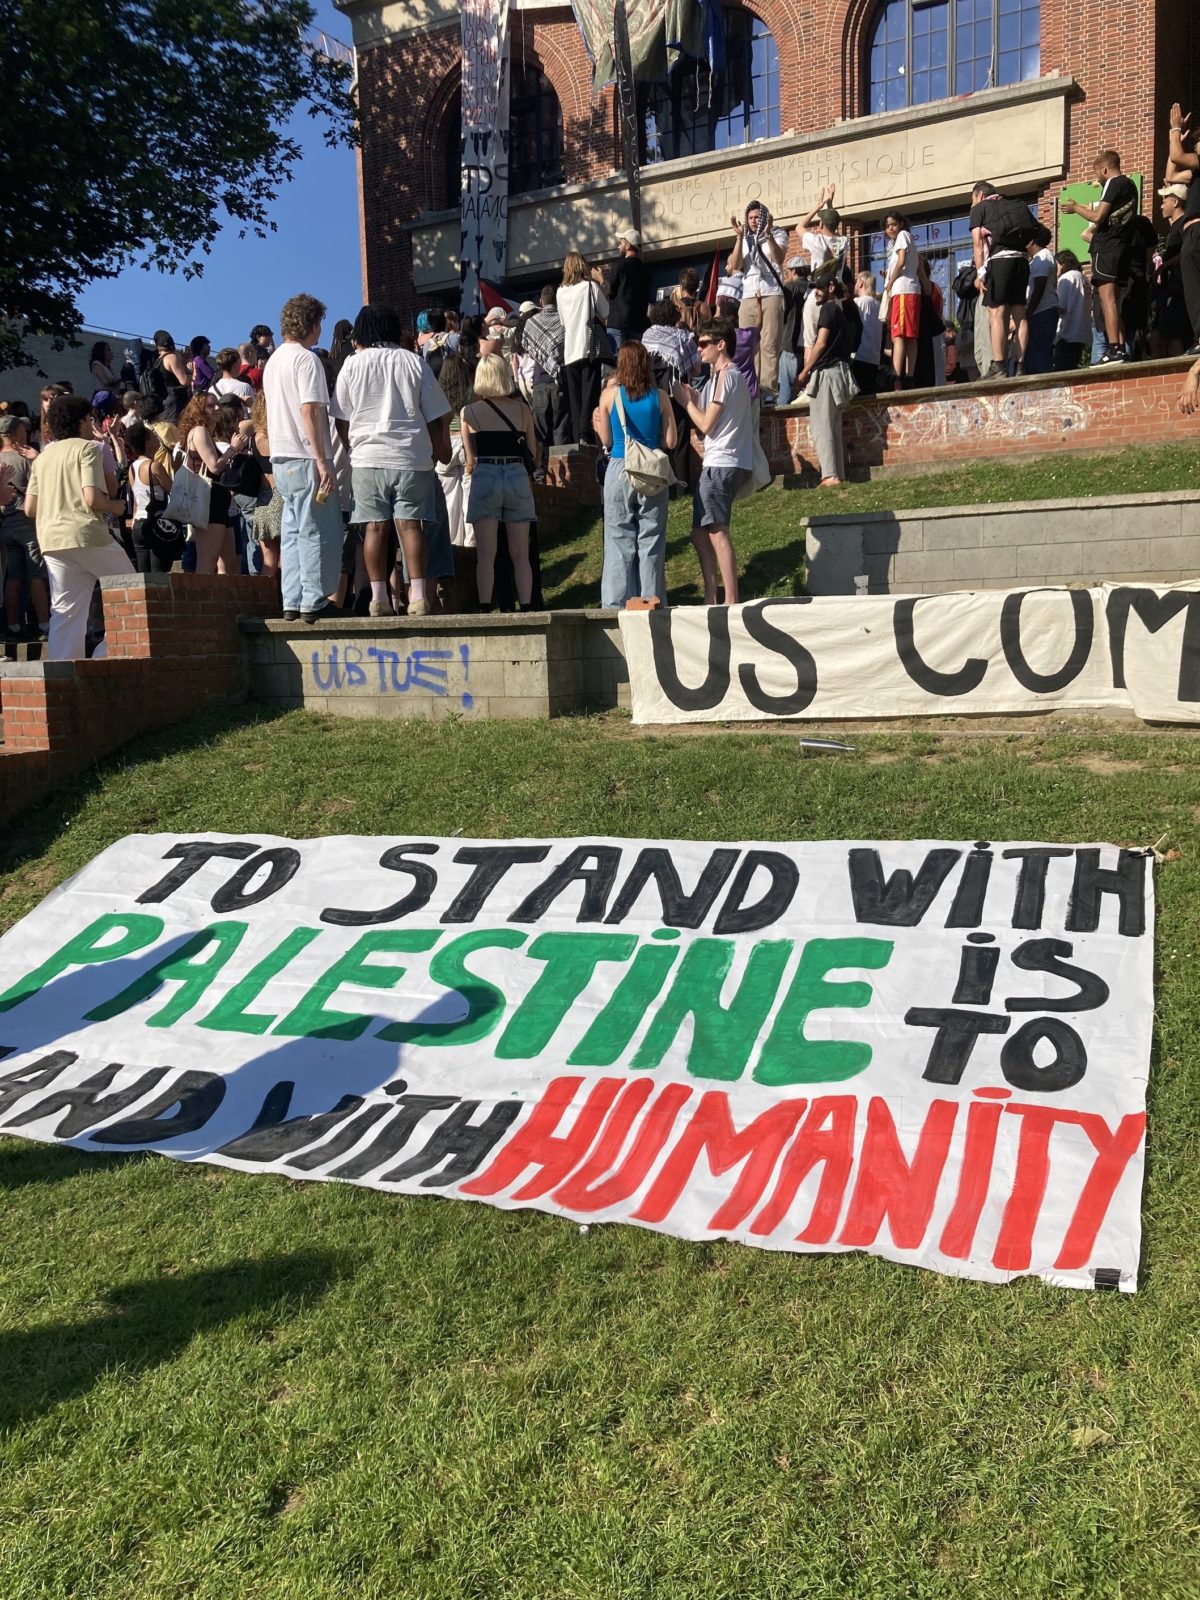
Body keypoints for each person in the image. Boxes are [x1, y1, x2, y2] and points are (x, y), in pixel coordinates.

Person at [331, 301, 451, 618]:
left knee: (373, 529)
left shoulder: (352, 365)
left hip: (367, 457)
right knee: (411, 527)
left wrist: (352, 447)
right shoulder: (413, 361)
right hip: (411, 456)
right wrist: (436, 450)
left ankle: (379, 597)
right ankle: (419, 596)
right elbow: (435, 414)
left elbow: (341, 419)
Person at [23, 394, 132, 660]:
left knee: (65, 612)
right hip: (87, 534)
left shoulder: (43, 458)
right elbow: (92, 498)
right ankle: (104, 655)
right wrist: (117, 507)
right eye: (89, 419)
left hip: (51, 540)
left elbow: (30, 508)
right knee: (132, 592)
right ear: (82, 421)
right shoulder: (88, 449)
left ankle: (62, 671)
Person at [263, 292, 344, 623]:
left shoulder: (273, 362)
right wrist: (322, 459)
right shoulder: (307, 360)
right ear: (310, 324)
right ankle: (313, 599)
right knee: (315, 530)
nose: (320, 330)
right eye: (319, 323)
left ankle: (292, 599)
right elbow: (309, 409)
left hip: (281, 456)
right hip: (306, 456)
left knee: (293, 531)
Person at [672, 320, 753, 606]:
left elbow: (705, 425)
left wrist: (686, 403)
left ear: (721, 344)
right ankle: (712, 594)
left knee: (717, 530)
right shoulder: (717, 380)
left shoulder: (726, 375)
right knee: (699, 532)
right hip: (721, 461)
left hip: (722, 462)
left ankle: (729, 598)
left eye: (704, 343)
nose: (699, 348)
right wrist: (694, 399)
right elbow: (706, 425)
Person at [595, 341, 677, 607]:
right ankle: (651, 601)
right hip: (651, 470)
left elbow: (607, 441)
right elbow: (671, 441)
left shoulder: (609, 395)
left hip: (620, 467)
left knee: (618, 540)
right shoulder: (660, 396)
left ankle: (616, 605)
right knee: (651, 540)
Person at [460, 353, 537, 611]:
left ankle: (485, 607)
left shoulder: (469, 412)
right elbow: (532, 452)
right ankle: (526, 606)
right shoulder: (522, 409)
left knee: (486, 554)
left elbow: (470, 458)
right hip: (516, 473)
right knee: (521, 555)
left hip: (486, 473)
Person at [1060, 151, 1139, 363]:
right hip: (1122, 247)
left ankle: (1114, 348)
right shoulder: (1130, 185)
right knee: (1114, 300)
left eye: (1097, 173)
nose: (1098, 179)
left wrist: (1076, 208)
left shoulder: (1113, 183)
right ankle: (1121, 348)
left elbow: (1098, 216)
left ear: (1104, 169)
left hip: (1107, 248)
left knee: (1107, 299)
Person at [795, 269, 857, 487]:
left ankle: (829, 476)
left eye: (820, 288)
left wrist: (805, 370)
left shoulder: (828, 309)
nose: (816, 292)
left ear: (831, 288)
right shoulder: (840, 312)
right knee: (833, 427)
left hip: (826, 374)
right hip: (839, 373)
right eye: (814, 289)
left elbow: (820, 343)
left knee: (821, 426)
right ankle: (838, 474)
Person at [969, 182, 1034, 377]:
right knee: (1019, 314)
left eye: (972, 199)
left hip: (999, 262)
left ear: (980, 195)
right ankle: (1021, 366)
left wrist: (980, 273)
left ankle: (999, 365)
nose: (972, 204)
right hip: (1021, 261)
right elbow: (1037, 232)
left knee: (997, 313)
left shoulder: (980, 209)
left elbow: (977, 244)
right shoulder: (1016, 205)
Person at [727, 202, 788, 402]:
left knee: (769, 342)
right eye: (751, 218)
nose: (754, 221)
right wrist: (739, 237)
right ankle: (750, 389)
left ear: (764, 218)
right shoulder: (744, 238)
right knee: (747, 343)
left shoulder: (777, 233)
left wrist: (768, 234)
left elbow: (779, 258)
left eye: (757, 217)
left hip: (771, 291)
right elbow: (735, 265)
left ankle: (768, 390)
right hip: (749, 294)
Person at [176, 392, 241, 574]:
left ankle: (224, 593)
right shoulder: (199, 431)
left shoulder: (205, 432)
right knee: (208, 561)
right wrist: (233, 449)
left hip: (218, 500)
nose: (217, 408)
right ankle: (199, 593)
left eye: (217, 404)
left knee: (230, 562)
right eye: (210, 406)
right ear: (199, 410)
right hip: (209, 499)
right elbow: (214, 466)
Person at [0, 415, 50, 637]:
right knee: (36, 575)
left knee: (13, 577)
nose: (26, 433)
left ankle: (13, 625)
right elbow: (41, 487)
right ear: (13, 434)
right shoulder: (25, 459)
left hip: (6, 524)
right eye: (22, 430)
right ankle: (44, 624)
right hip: (27, 522)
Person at [558, 251, 609, 446]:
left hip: (570, 349)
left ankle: (577, 436)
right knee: (590, 393)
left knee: (575, 396)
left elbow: (563, 322)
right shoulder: (590, 286)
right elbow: (605, 310)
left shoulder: (560, 292)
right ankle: (586, 434)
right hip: (588, 347)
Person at [518, 285, 570, 476]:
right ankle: (563, 477)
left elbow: (527, 347)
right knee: (560, 430)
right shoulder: (564, 320)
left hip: (539, 383)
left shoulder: (532, 322)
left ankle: (540, 475)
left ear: (541, 301)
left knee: (539, 434)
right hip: (559, 381)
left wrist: (543, 355)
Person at [1167, 104, 1200, 351]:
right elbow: (1171, 175)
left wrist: (1175, 130)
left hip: (1198, 231)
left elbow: (1179, 157)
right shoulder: (1195, 174)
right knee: (1193, 288)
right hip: (1192, 233)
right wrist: (1177, 139)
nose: (1196, 146)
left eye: (1198, 142)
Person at [125, 420, 175, 574]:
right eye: (153, 435)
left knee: (144, 575)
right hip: (156, 523)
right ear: (146, 441)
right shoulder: (154, 466)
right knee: (159, 575)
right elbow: (173, 490)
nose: (156, 437)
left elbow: (136, 498)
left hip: (138, 523)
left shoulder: (132, 467)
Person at [881, 211, 921, 387]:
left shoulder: (903, 236)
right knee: (909, 336)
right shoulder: (907, 239)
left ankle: (897, 376)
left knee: (898, 335)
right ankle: (908, 376)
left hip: (903, 291)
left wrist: (889, 283)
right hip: (909, 290)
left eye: (893, 224)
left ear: (901, 224)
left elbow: (902, 260)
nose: (890, 228)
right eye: (887, 226)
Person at [1154, 182, 1193, 358]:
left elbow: (1186, 252)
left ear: (1176, 202)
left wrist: (1164, 266)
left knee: (1173, 335)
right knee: (1160, 335)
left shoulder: (1185, 225)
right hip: (1171, 287)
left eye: (1164, 201)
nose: (1161, 206)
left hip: (1177, 288)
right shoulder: (1176, 226)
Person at [607, 229, 652, 348]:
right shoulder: (646, 270)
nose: (618, 246)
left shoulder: (620, 265)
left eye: (621, 243)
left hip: (618, 323)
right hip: (638, 325)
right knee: (635, 358)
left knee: (617, 358)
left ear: (628, 246)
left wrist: (601, 279)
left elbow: (609, 291)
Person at [1024, 224, 1059, 375]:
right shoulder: (1036, 259)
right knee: (1034, 357)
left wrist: (1027, 314)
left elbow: (1039, 287)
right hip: (1038, 313)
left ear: (1031, 241)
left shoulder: (1043, 256)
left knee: (1039, 358)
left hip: (1042, 313)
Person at [1052, 250, 1092, 370]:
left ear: (1063, 264)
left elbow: (1061, 307)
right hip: (1081, 334)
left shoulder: (1067, 278)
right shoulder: (1084, 278)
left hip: (1067, 334)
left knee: (1062, 370)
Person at [146, 331, 191, 422]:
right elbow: (184, 381)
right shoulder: (171, 357)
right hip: (175, 403)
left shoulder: (157, 361)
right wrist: (192, 372)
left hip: (165, 402)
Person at [852, 271, 883, 394]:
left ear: (861, 283)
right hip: (874, 359)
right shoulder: (878, 304)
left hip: (859, 356)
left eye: (856, 281)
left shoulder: (859, 302)